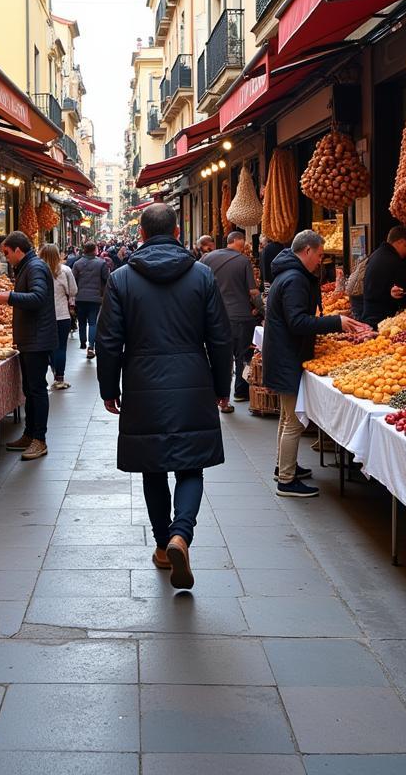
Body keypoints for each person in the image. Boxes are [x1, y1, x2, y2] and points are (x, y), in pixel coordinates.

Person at [96, 203, 232, 591]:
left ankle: (161, 544)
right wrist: (222, 388)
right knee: (191, 465)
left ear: (140, 235)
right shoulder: (202, 276)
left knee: (153, 466)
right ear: (177, 233)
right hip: (193, 381)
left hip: (142, 384)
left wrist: (109, 388)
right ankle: (181, 535)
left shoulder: (122, 279)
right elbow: (219, 338)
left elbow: (108, 341)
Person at [264, 230, 369, 497]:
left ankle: (283, 467)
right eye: (319, 255)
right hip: (287, 355)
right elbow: (297, 322)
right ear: (307, 251)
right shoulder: (295, 279)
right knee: (293, 422)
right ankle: (286, 480)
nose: (320, 261)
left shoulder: (289, 274)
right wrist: (336, 322)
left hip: (284, 353)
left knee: (288, 416)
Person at [0, 232, 57, 461]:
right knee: (30, 389)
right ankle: (30, 434)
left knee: (37, 389)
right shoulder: (29, 266)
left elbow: (38, 298)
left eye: (7, 253)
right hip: (32, 338)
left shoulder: (35, 268)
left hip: (37, 339)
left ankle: (39, 439)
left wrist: (9, 296)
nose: (6, 258)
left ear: (18, 250)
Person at [201, 230, 263, 409]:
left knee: (220, 356)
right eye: (242, 243)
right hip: (239, 316)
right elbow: (253, 292)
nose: (243, 247)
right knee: (242, 355)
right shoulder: (242, 261)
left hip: (214, 316)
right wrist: (263, 310)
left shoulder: (207, 259)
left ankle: (221, 397)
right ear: (237, 241)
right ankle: (240, 392)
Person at [361, 225, 406, 328]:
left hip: (369, 313)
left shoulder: (375, 255)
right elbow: (402, 293)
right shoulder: (395, 261)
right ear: (400, 242)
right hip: (383, 318)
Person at [39, 243, 77, 390]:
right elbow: (73, 290)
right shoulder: (65, 270)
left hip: (43, 317)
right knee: (60, 347)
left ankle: (49, 371)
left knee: (46, 348)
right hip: (62, 315)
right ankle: (59, 378)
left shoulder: (38, 271)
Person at [73, 241, 111, 359]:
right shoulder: (101, 263)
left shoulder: (77, 263)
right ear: (94, 250)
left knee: (82, 321)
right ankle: (91, 346)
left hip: (80, 297)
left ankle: (83, 341)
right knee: (93, 322)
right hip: (95, 298)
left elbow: (73, 280)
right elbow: (107, 279)